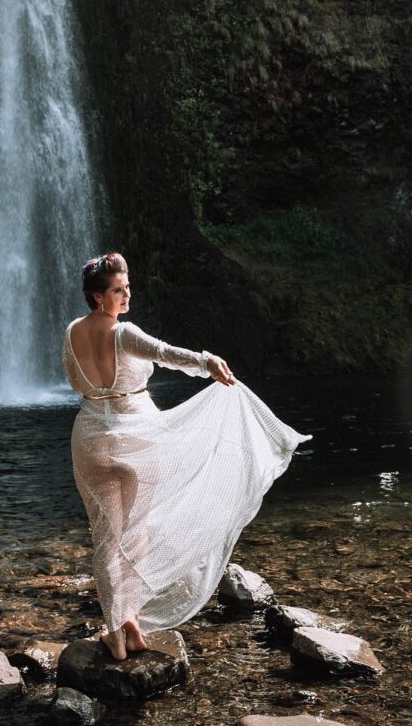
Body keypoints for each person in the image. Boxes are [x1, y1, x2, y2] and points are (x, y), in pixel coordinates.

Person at [62, 251, 309, 660]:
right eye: (119, 290)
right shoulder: (124, 334)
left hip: (89, 438)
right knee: (136, 532)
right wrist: (205, 362)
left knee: (106, 538)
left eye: (127, 287)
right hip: (137, 438)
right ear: (98, 297)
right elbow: (165, 352)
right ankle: (132, 625)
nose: (127, 295)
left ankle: (118, 630)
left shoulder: (72, 331)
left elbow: (75, 383)